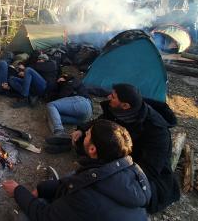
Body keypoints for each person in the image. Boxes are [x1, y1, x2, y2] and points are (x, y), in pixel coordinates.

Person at [2, 119, 151, 221]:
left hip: (88, 207)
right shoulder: (129, 168)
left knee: (23, 216)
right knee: (72, 176)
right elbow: (80, 180)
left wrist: (18, 191)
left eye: (87, 135)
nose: (84, 135)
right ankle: (57, 194)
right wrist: (43, 188)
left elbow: (44, 217)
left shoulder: (87, 197)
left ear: (92, 149)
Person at [71, 83, 180, 214]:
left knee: (120, 195)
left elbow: (150, 168)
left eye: (113, 96)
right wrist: (82, 129)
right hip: (120, 152)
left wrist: (116, 170)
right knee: (82, 142)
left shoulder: (157, 130)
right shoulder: (119, 109)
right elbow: (102, 123)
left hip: (141, 168)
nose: (108, 96)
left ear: (125, 105)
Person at [44, 75, 93, 154]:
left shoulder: (72, 81)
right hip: (82, 118)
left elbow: (63, 94)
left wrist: (63, 83)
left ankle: (59, 132)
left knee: (51, 105)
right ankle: (65, 143)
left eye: (60, 78)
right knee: (51, 116)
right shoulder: (65, 85)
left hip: (83, 103)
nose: (58, 80)